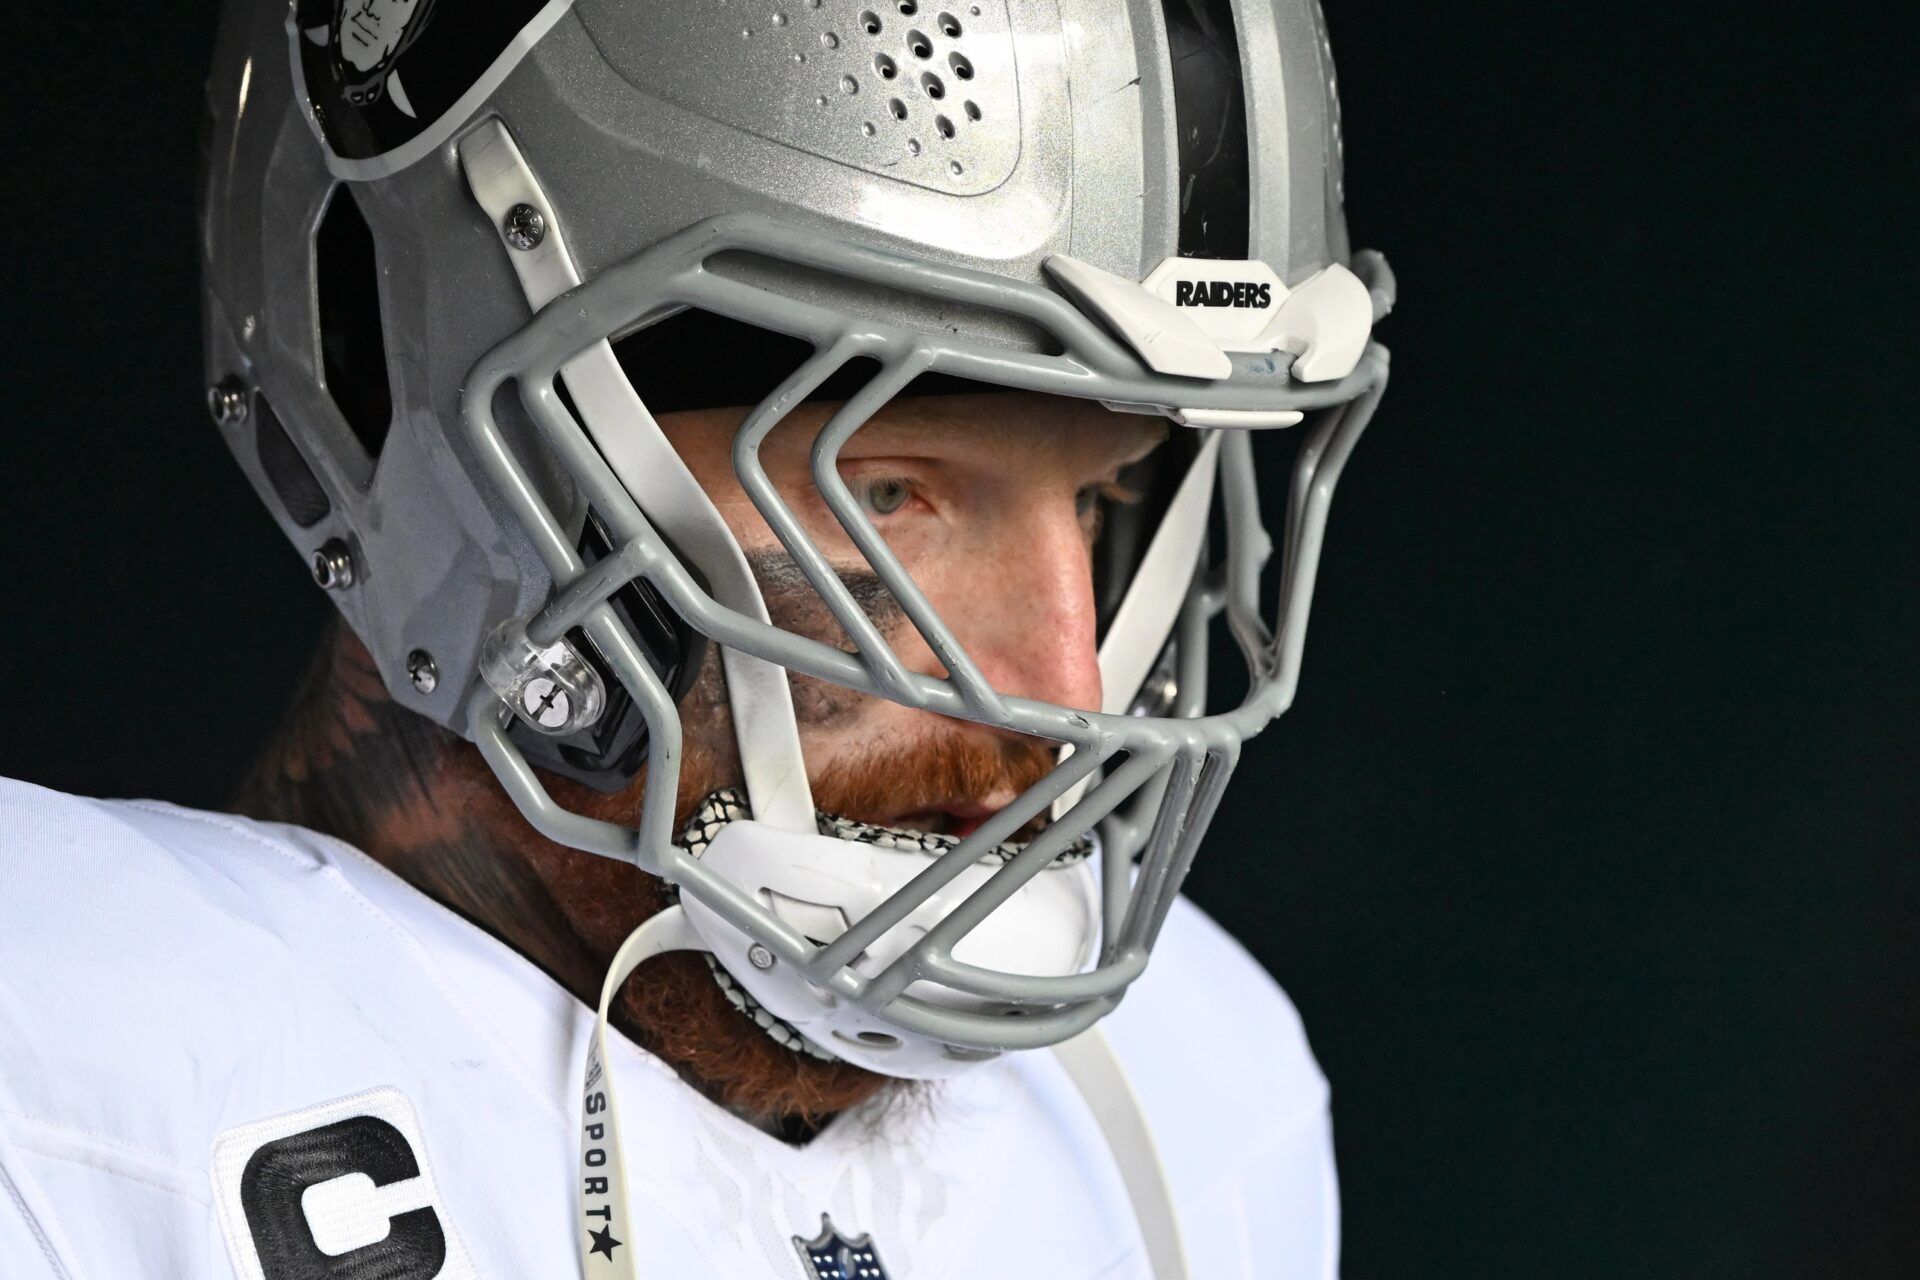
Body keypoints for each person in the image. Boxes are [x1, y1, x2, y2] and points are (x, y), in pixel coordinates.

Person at [0, 1, 1392, 1276]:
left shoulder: (1200, 1105)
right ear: (396, 399)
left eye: (1103, 497)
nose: (1063, 688)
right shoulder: (72, 1079)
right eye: (894, 489)